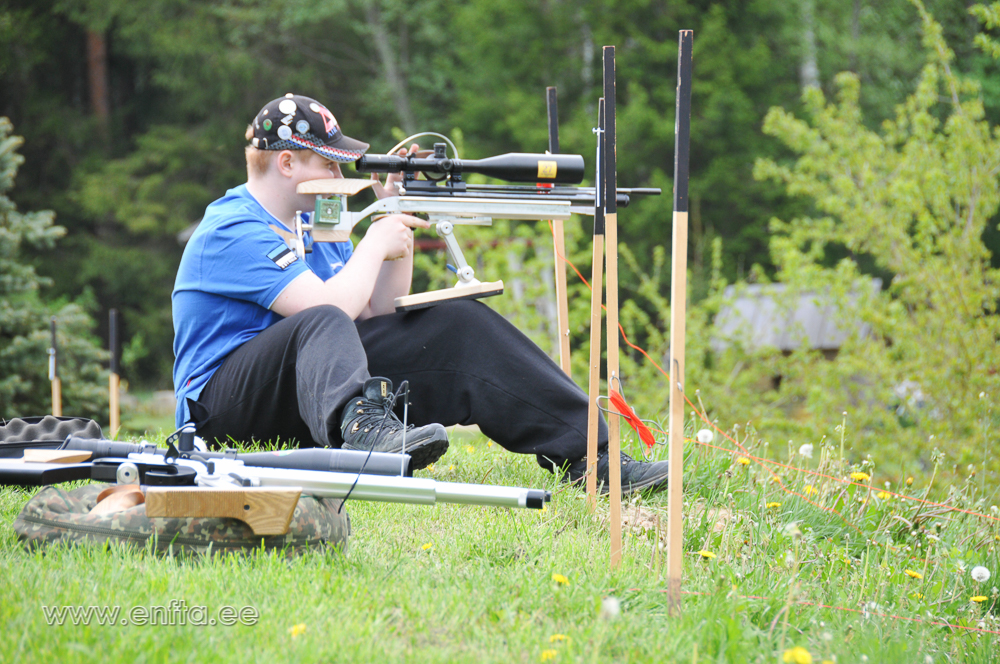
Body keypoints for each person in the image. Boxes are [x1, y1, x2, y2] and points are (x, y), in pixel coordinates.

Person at [172, 93, 670, 493]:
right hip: (222, 413)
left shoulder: (316, 223)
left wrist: (397, 214)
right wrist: (372, 243)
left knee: (458, 322)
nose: (340, 179)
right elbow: (328, 311)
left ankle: (590, 455)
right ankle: (367, 433)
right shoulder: (232, 229)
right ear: (286, 162)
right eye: (330, 165)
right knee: (322, 316)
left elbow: (375, 311)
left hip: (313, 396)